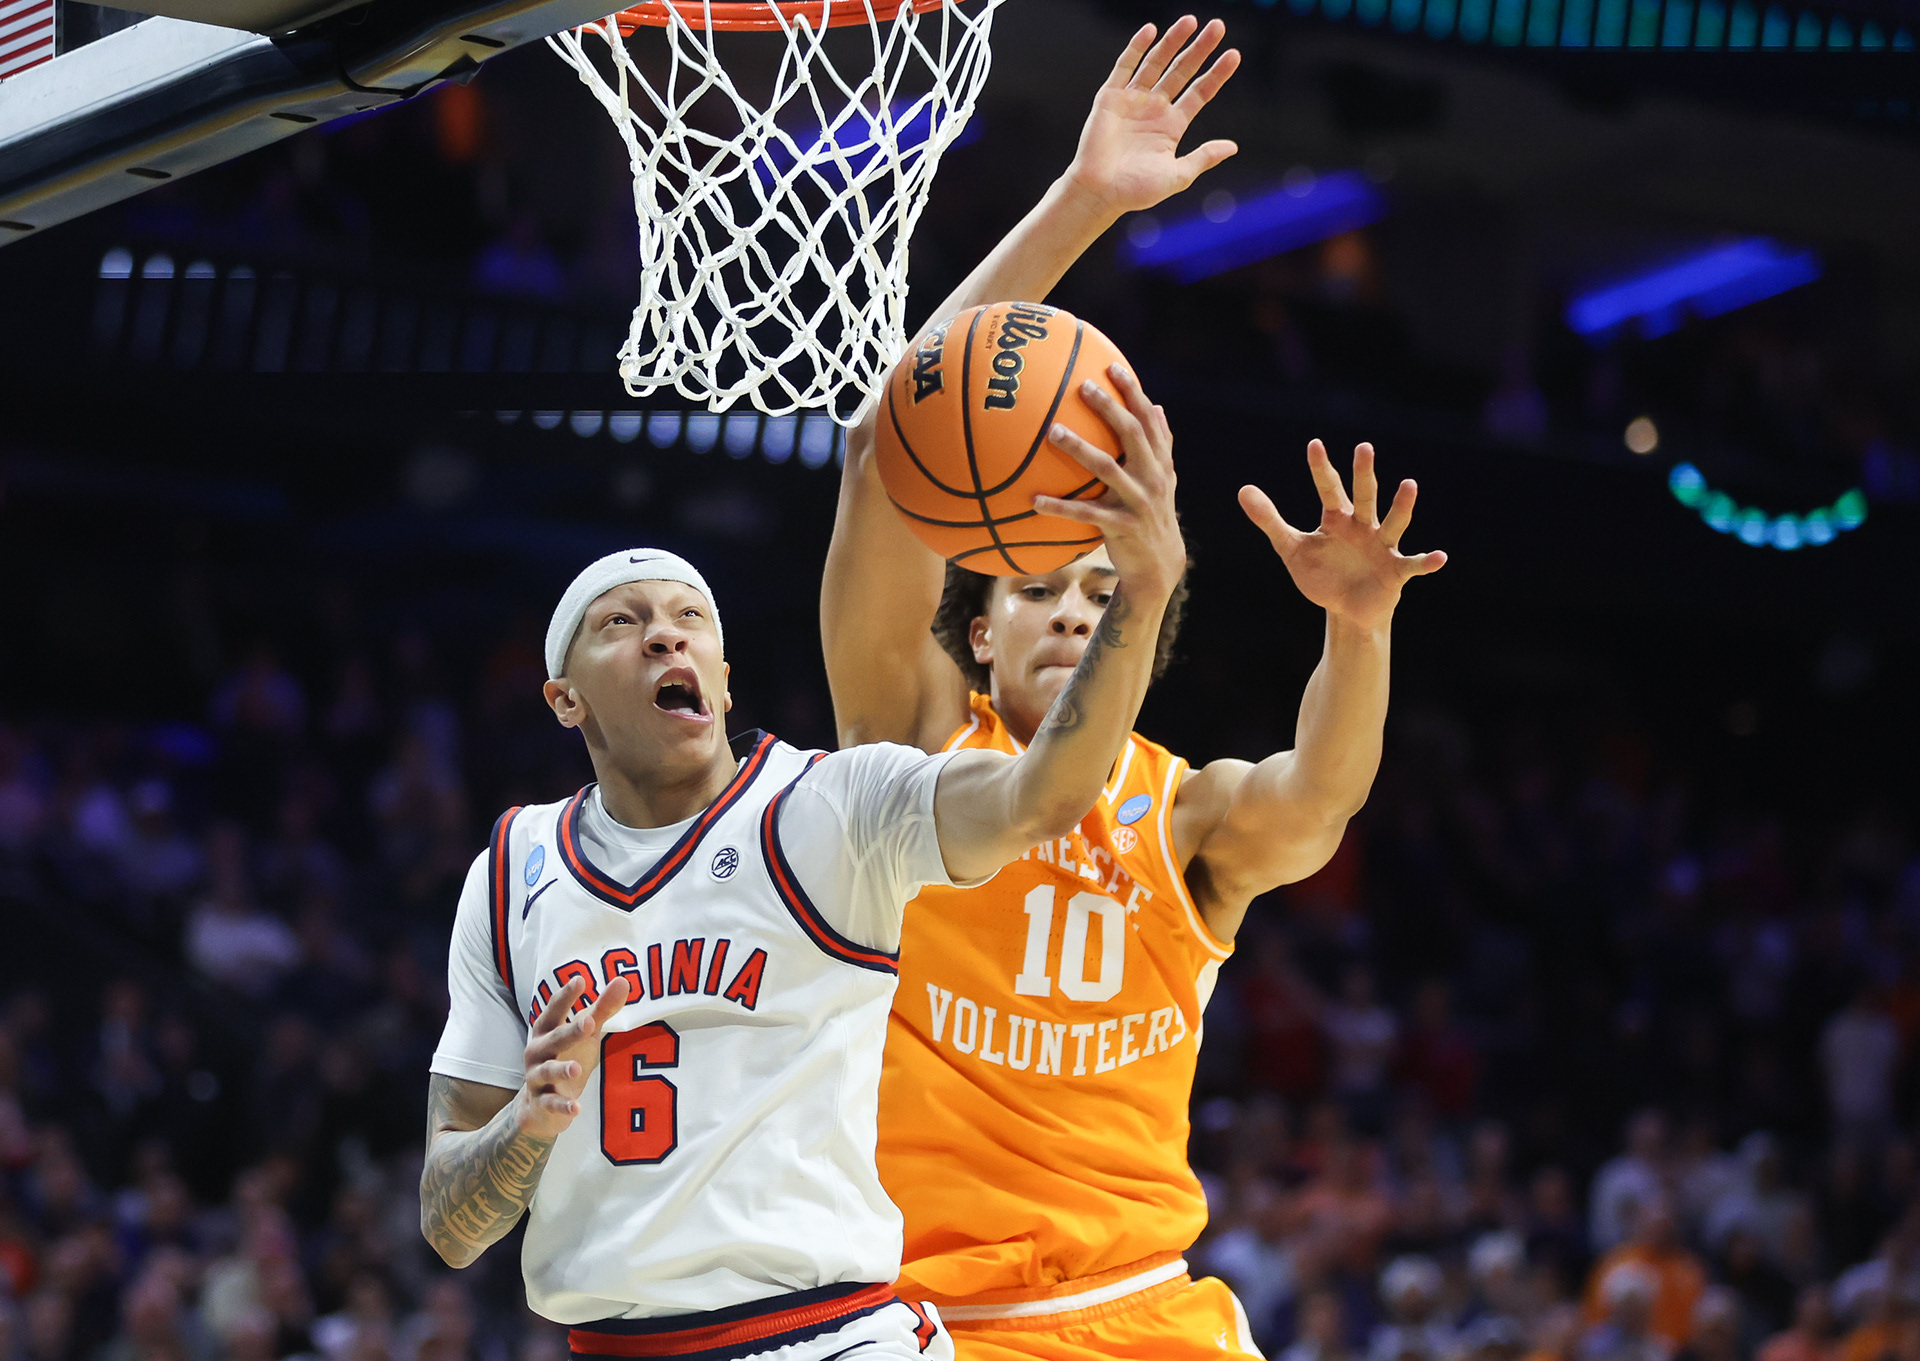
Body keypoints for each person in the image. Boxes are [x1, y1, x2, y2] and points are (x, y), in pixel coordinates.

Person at [820, 18, 1447, 1358]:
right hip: (930, 1325)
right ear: (973, 634)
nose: (1066, 609)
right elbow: (894, 445)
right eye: (1037, 589)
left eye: (1100, 595)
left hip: (1141, 1314)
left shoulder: (1188, 818)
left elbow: (1321, 794)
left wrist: (1358, 625)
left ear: (1146, 638)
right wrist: (1084, 201)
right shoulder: (908, 753)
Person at [419, 430, 1187, 1361]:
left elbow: (1045, 795)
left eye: (689, 617)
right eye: (619, 623)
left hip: (827, 1338)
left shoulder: (830, 806)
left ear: (723, 672)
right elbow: (450, 1223)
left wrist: (1138, 600)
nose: (664, 631)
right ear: (563, 699)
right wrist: (524, 1125)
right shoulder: (512, 868)